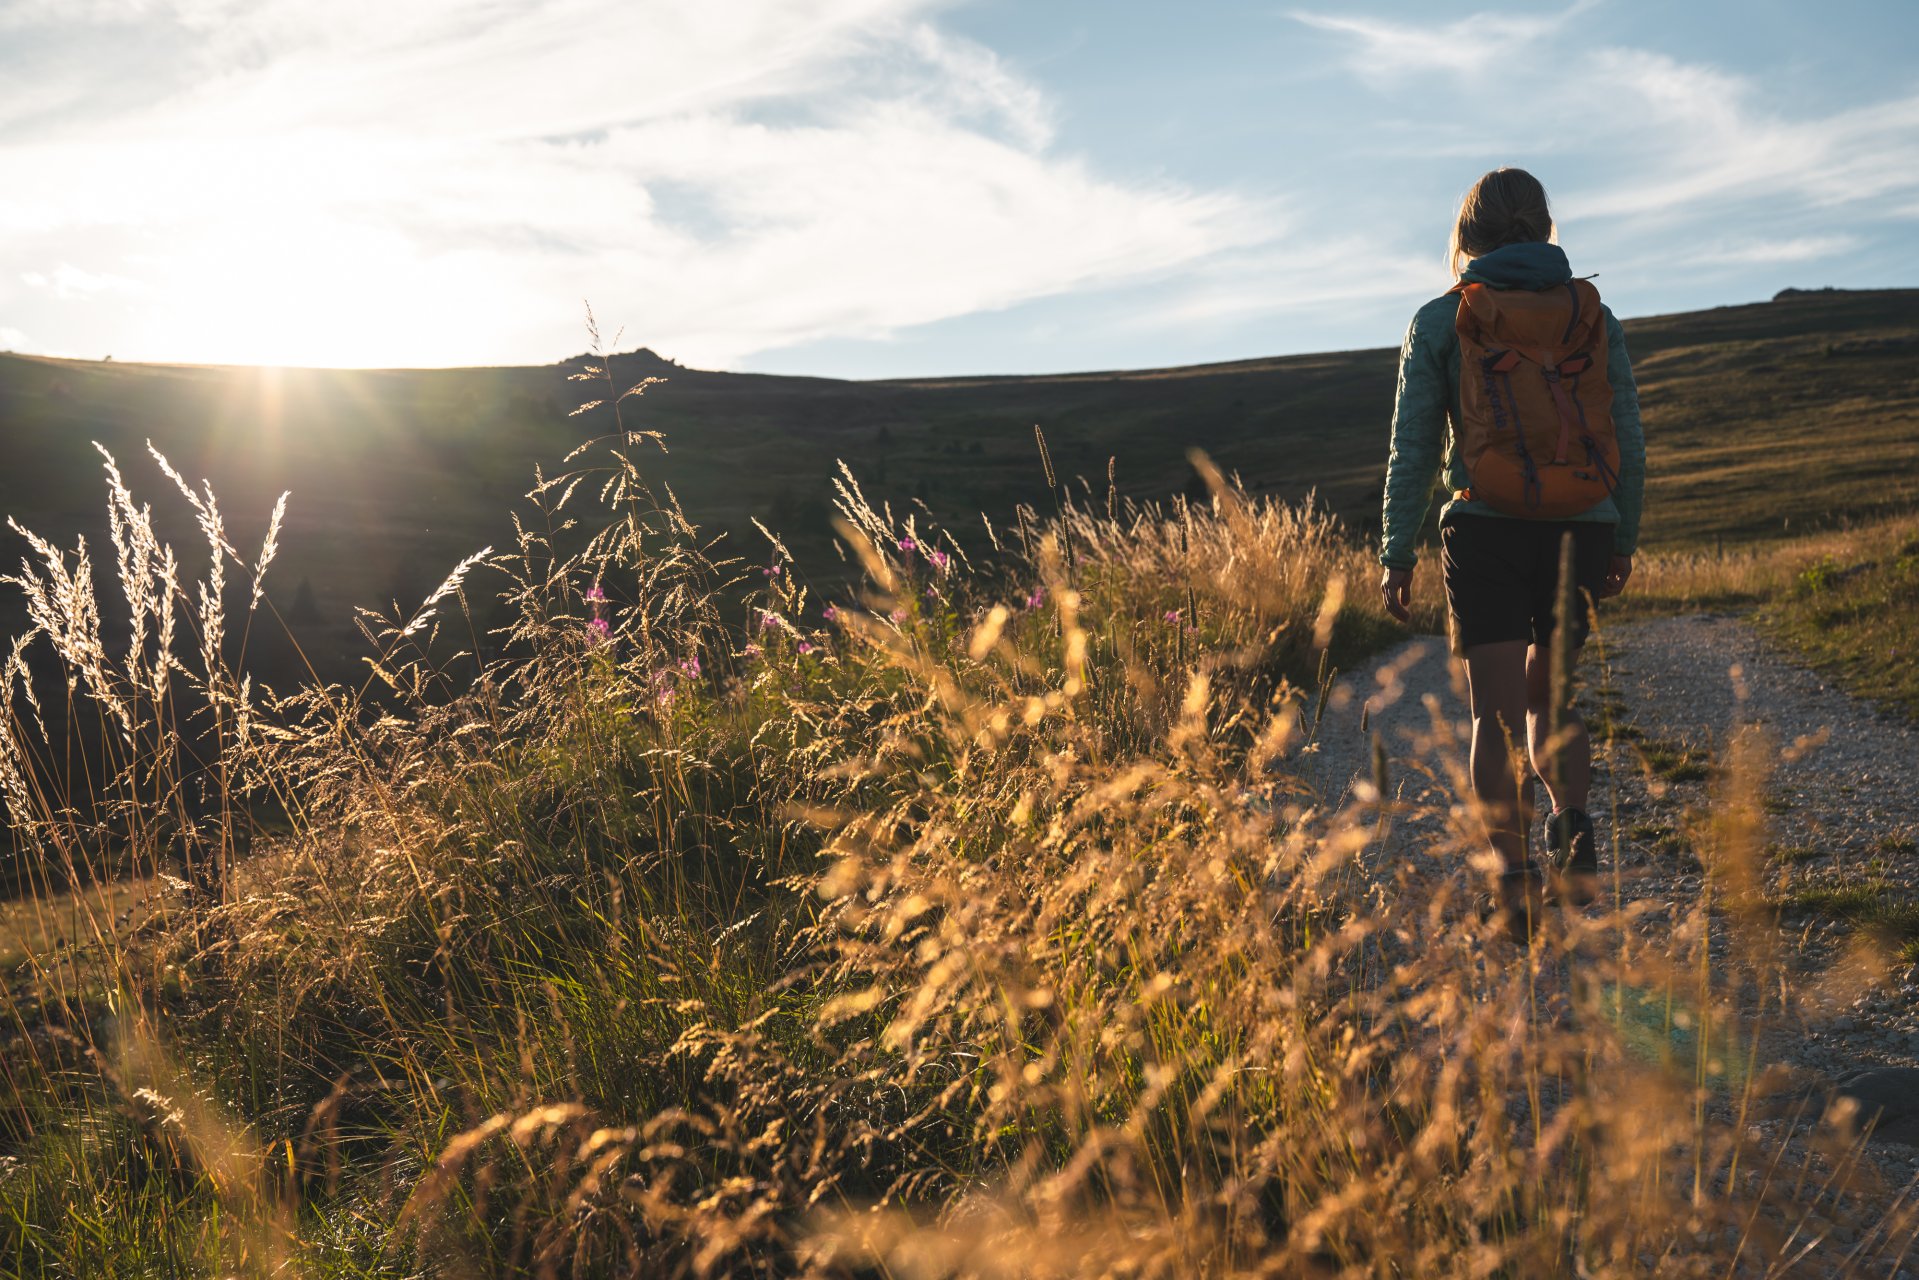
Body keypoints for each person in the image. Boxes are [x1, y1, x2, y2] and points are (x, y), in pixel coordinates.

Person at [1377, 167, 1646, 936]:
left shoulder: (1441, 318)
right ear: (1545, 229)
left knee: (1492, 716)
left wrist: (1397, 552)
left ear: (1465, 237)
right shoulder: (1590, 316)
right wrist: (1619, 532)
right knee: (1550, 700)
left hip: (1485, 524)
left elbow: (1414, 445)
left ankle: (1515, 886)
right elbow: (1624, 433)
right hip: (1583, 524)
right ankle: (1573, 831)